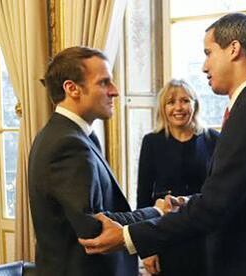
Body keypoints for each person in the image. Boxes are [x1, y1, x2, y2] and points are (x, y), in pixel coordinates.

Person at [79, 13, 246, 276]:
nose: (205, 66)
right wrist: (188, 202)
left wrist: (127, 235)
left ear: (233, 49)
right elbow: (234, 195)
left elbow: (214, 208)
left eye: (208, 53)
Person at [28, 46, 169, 276]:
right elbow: (93, 227)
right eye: (104, 82)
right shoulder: (68, 144)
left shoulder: (70, 135)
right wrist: (156, 212)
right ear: (72, 88)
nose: (114, 91)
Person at [137, 79, 219, 275]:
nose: (178, 107)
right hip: (166, 237)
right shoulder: (151, 142)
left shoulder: (213, 140)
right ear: (163, 108)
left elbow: (220, 192)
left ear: (195, 104)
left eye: (184, 100)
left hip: (205, 238)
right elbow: (143, 196)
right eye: (171, 102)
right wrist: (147, 248)